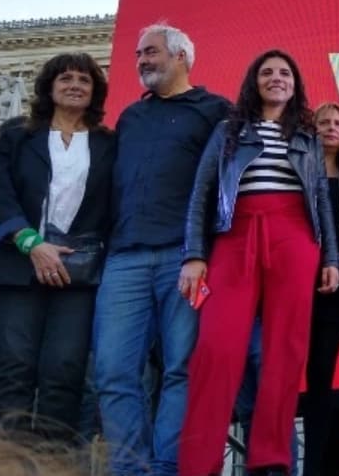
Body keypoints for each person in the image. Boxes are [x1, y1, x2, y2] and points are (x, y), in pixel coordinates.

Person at [178, 49, 339, 476]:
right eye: (267, 72)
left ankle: (270, 457)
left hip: (294, 235)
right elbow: (202, 193)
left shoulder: (307, 134)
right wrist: (194, 255)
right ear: (254, 81)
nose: (276, 78)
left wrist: (332, 257)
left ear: (295, 84)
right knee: (217, 346)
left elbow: (321, 198)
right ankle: (198, 463)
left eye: (284, 72)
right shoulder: (228, 130)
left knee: (286, 349)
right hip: (236, 234)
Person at [94, 24, 231, 475]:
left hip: (185, 259)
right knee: (114, 372)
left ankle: (170, 466)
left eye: (151, 52)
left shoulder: (215, 110)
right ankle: (131, 468)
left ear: (181, 57)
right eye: (137, 54)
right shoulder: (131, 116)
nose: (142, 61)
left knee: (181, 369)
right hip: (124, 258)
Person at [0, 54, 115, 442]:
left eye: (84, 80)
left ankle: (54, 462)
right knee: (12, 368)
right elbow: (1, 195)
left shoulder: (109, 144)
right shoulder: (16, 135)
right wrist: (32, 243)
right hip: (18, 267)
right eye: (66, 78)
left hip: (77, 274)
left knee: (65, 370)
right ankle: (4, 465)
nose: (75, 84)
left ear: (95, 91)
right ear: (49, 86)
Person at [302, 103, 339, 476]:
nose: (331, 128)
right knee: (319, 373)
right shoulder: (301, 171)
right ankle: (316, 465)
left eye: (338, 123)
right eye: (324, 122)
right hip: (314, 283)